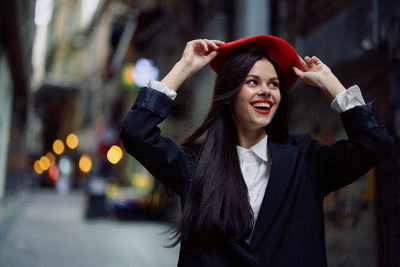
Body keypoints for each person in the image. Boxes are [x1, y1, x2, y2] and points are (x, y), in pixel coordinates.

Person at [119, 35, 393, 267]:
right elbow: (136, 133)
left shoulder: (305, 158)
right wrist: (184, 67)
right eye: (252, 82)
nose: (266, 92)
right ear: (229, 95)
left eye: (273, 84)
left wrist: (331, 83)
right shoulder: (195, 163)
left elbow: (375, 143)